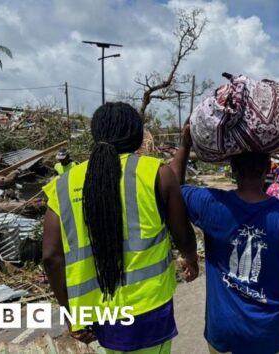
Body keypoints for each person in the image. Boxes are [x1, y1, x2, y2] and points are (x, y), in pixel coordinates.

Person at [42, 102, 199, 353]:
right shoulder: (155, 173)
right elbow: (182, 234)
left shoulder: (62, 185)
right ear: (137, 136)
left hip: (99, 311)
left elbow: (51, 258)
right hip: (149, 306)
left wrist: (71, 314)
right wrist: (191, 258)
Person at [170, 124, 279, 354]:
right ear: (268, 169)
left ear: (233, 169)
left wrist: (185, 144)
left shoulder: (211, 204)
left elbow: (172, 189)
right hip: (268, 335)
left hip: (223, 332)